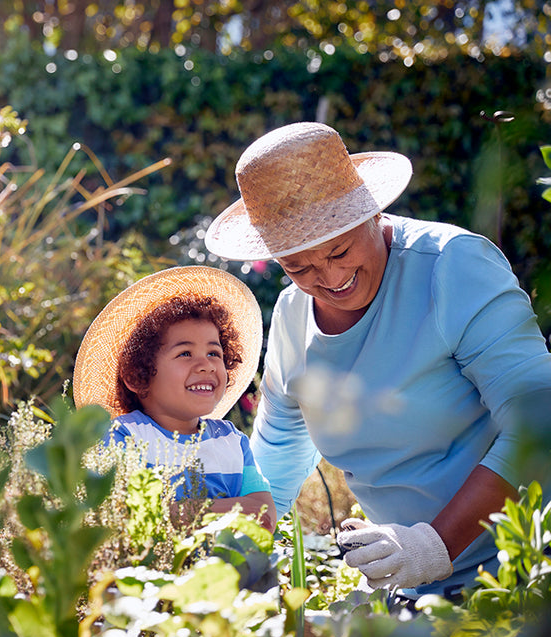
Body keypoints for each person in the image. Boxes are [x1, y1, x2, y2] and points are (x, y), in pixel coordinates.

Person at [203, 121, 551, 599]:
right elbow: (280, 448)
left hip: (527, 565)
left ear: (370, 210)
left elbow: (538, 421)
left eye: (340, 250)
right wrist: (241, 550)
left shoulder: (451, 267)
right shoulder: (291, 316)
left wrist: (432, 545)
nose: (330, 277)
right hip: (414, 584)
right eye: (298, 267)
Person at [73, 266, 277, 531]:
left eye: (215, 353)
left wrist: (179, 511)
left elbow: (264, 516)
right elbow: (126, 516)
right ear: (138, 376)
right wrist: (232, 510)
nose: (206, 365)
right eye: (185, 354)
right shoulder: (122, 438)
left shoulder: (232, 441)